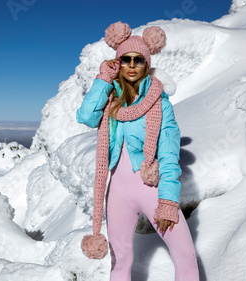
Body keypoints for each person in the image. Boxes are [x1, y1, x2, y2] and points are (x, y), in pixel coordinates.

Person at [76, 21, 199, 281]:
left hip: (151, 188)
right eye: (126, 59)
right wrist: (102, 79)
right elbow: (86, 116)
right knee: (120, 262)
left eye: (138, 60)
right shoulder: (109, 99)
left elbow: (168, 153)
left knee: (185, 255)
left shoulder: (160, 104)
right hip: (117, 193)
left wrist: (167, 202)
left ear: (146, 64)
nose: (132, 65)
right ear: (118, 63)